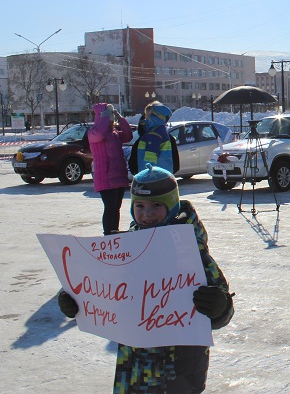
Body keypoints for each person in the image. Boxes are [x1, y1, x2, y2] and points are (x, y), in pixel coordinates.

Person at [57, 164, 234, 393]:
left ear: (171, 206)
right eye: (139, 206)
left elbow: (221, 300)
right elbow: (104, 290)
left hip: (180, 367)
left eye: (156, 205)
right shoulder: (125, 249)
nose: (146, 213)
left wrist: (219, 306)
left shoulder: (189, 248)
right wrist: (76, 300)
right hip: (135, 366)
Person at [88, 103, 133, 235]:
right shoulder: (93, 133)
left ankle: (115, 231)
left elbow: (128, 136)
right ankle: (108, 233)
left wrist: (121, 119)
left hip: (118, 176)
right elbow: (100, 134)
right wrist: (104, 117)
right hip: (105, 178)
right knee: (110, 207)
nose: (111, 120)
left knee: (116, 208)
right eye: (109, 116)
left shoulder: (115, 134)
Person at [137, 101, 175, 173]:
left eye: (147, 114)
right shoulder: (160, 129)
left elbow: (150, 158)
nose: (145, 116)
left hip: (155, 175)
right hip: (163, 171)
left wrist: (147, 175)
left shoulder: (154, 132)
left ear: (153, 115)